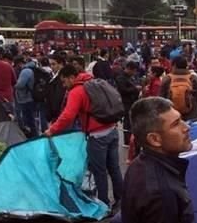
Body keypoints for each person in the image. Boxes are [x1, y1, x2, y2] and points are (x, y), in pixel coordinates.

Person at [44, 66, 123, 208]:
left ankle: (103, 203)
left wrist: (52, 130)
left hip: (97, 135)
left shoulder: (77, 91)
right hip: (112, 130)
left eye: (64, 82)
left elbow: (68, 115)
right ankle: (121, 199)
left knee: (99, 171)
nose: (63, 85)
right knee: (114, 168)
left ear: (71, 77)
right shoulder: (94, 82)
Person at [160, 56, 197, 121]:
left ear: (174, 65)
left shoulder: (167, 78)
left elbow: (161, 98)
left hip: (173, 114)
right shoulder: (193, 78)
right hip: (192, 114)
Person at [14, 55, 42, 135]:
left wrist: (14, 85)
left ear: (19, 63)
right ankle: (34, 133)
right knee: (31, 117)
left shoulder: (25, 71)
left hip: (26, 97)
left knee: (29, 118)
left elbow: (20, 85)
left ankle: (33, 134)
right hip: (30, 96)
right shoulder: (31, 69)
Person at [115, 61, 142, 137]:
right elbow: (122, 90)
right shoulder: (120, 78)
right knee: (127, 121)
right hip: (126, 102)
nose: (134, 73)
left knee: (131, 121)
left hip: (133, 101)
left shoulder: (130, 77)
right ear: (129, 69)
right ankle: (127, 139)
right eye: (133, 71)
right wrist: (135, 89)